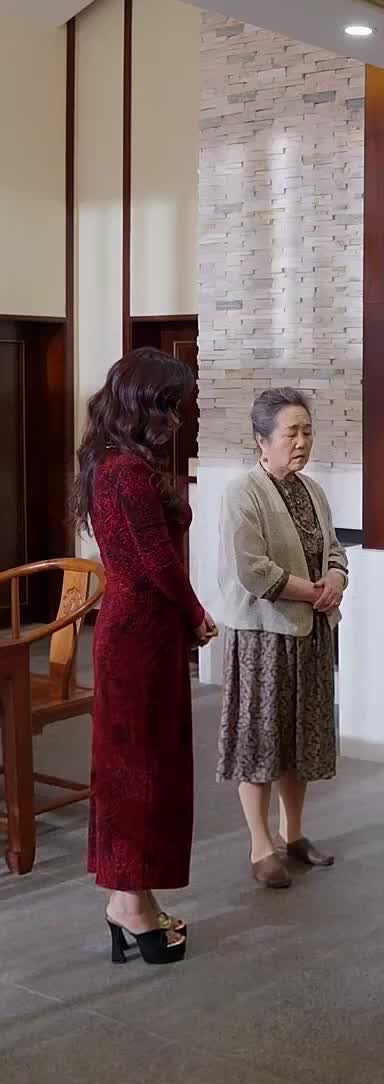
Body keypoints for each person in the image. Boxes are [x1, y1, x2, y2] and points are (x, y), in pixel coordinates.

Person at [76, 348, 217, 968]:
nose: (177, 419)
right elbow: (157, 561)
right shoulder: (128, 472)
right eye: (170, 406)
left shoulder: (105, 461)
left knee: (135, 768)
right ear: (144, 404)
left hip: (135, 632)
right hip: (140, 637)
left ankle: (130, 895)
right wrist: (196, 613)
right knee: (142, 771)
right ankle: (130, 904)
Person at [217, 388, 348, 886]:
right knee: (261, 743)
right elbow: (252, 570)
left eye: (307, 432)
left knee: (300, 741)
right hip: (262, 640)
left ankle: (293, 834)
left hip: (311, 634)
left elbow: (334, 549)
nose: (301, 441)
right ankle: (260, 846)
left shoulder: (312, 490)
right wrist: (314, 592)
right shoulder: (242, 492)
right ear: (261, 440)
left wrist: (334, 580)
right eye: (291, 432)